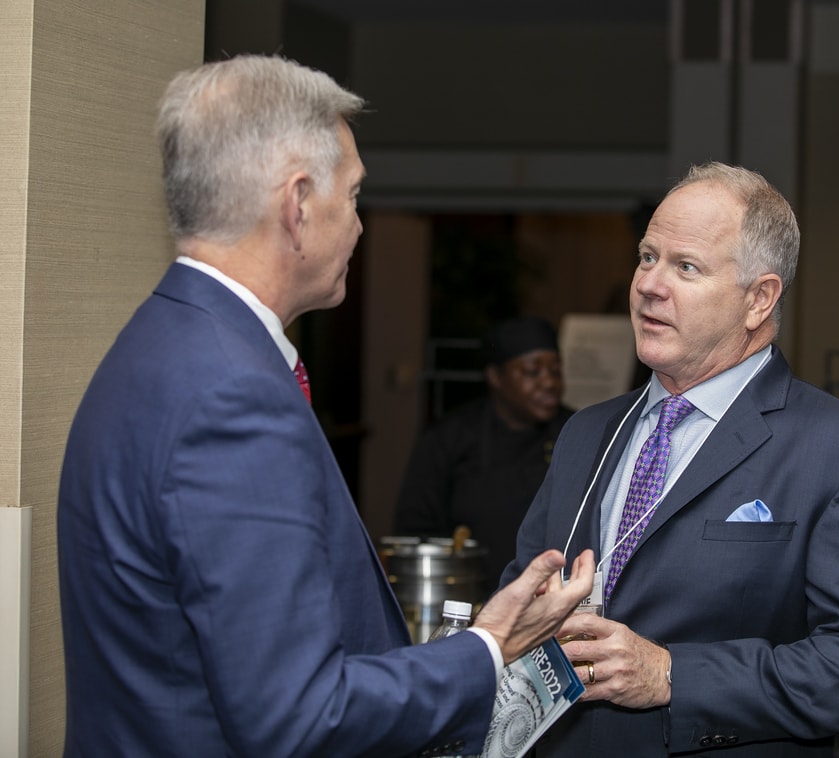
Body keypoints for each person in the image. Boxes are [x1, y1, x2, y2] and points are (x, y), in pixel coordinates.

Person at [56, 55, 595, 758]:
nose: (361, 226)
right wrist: (489, 649)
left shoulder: (157, 341)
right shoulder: (233, 398)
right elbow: (298, 718)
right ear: (299, 204)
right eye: (355, 195)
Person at [500, 162, 839, 757]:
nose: (649, 284)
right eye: (647, 257)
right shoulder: (585, 432)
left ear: (759, 300)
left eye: (685, 267)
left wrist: (672, 676)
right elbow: (525, 591)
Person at [394, 315, 574, 590]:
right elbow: (415, 530)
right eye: (532, 372)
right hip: (467, 600)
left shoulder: (575, 433)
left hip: (553, 601)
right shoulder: (449, 439)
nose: (549, 383)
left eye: (555, 371)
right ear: (496, 377)